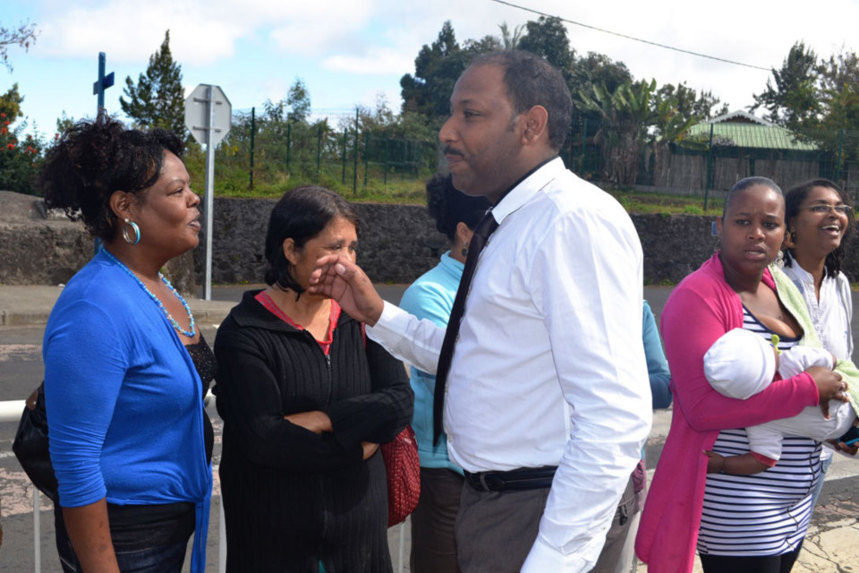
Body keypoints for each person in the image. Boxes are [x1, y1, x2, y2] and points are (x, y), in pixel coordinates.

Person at [310, 49, 652, 572]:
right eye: (451, 113)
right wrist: (379, 314)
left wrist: (553, 561)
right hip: (507, 503)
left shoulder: (569, 220)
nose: (447, 131)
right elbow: (480, 356)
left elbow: (613, 417)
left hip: (542, 510)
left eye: (470, 114)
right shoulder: (513, 220)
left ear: (530, 125)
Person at [635, 176, 852, 573]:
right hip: (740, 504)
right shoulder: (696, 296)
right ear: (718, 226)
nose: (756, 234)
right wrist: (808, 388)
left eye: (769, 224)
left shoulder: (780, 285)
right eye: (742, 222)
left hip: (797, 496)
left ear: (784, 234)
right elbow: (701, 410)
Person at [39, 116, 213, 572]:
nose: (195, 198)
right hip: (124, 543)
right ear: (125, 207)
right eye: (177, 192)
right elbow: (76, 462)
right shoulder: (95, 306)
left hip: (168, 530)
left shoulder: (156, 286)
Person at [213, 186, 413, 572]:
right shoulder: (246, 331)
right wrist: (358, 445)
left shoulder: (359, 318)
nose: (348, 263)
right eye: (335, 248)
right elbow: (265, 440)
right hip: (273, 548)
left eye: (353, 248)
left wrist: (324, 420)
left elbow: (398, 404)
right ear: (291, 250)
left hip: (360, 548)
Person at [398, 173, 489, 573]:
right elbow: (465, 371)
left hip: (499, 471)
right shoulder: (429, 294)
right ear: (465, 232)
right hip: (448, 473)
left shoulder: (502, 285)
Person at [783, 178, 858, 500]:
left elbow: (845, 361)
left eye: (840, 208)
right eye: (820, 207)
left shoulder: (838, 283)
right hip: (772, 448)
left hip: (822, 452)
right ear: (792, 225)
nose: (834, 214)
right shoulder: (771, 280)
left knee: (791, 546)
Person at [702, 327, 857, 475]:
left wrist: (723, 464)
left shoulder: (758, 419)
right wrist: (816, 378)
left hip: (846, 438)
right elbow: (832, 359)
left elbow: (762, 460)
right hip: (848, 423)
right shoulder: (794, 360)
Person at [592, 300, 672, 573]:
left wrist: (599, 377)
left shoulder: (634, 309)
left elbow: (663, 389)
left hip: (619, 473)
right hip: (537, 478)